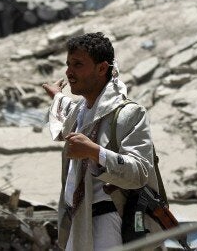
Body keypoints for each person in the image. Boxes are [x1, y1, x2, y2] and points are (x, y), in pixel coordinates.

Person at [42, 32, 160, 250]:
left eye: (78, 64)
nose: (69, 72)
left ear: (101, 68)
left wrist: (95, 152)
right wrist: (56, 96)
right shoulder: (80, 111)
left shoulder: (129, 114)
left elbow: (141, 172)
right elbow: (66, 109)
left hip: (107, 224)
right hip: (78, 220)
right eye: (68, 64)